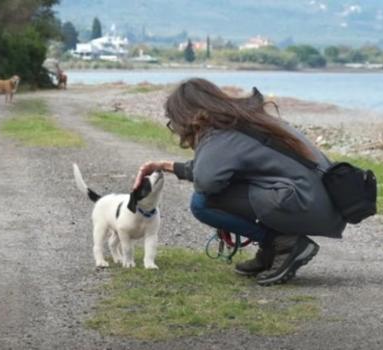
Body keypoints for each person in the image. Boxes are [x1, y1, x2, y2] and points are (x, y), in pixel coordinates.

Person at [133, 78, 346, 286]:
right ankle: (273, 247)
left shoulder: (221, 135)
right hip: (322, 200)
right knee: (218, 191)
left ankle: (283, 244)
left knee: (202, 202)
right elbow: (214, 168)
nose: (176, 129)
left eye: (174, 123)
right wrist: (167, 166)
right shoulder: (242, 120)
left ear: (186, 117)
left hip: (307, 201)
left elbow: (207, 182)